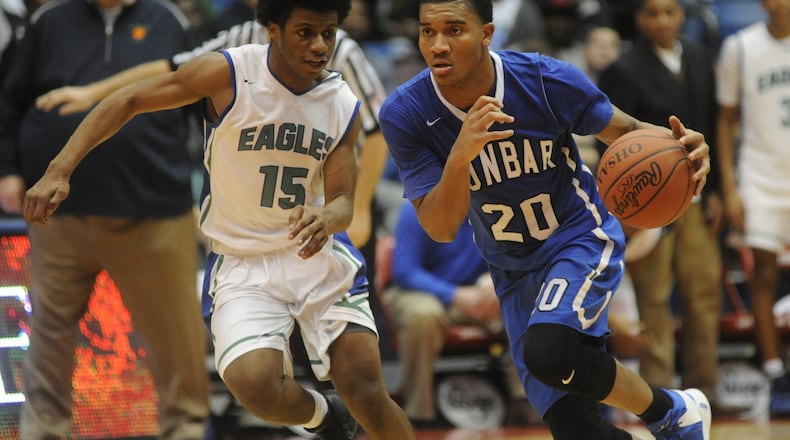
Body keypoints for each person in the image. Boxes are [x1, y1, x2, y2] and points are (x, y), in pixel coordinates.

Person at [21, 1, 415, 439]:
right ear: (272, 30)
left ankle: (355, 408)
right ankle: (326, 416)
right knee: (255, 386)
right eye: (305, 32)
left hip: (313, 255)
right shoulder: (228, 73)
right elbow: (129, 100)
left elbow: (344, 200)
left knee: (366, 388)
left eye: (328, 33)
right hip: (243, 262)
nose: (320, 45)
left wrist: (328, 214)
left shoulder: (341, 102)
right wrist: (59, 169)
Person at [378, 1, 713, 439]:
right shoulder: (405, 112)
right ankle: (676, 414)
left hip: (577, 237)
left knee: (550, 353)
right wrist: (460, 155)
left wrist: (684, 152)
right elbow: (440, 228)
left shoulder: (542, 77)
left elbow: (628, 133)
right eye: (427, 32)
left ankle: (669, 408)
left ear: (486, 33)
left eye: (454, 30)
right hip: (512, 268)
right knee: (575, 427)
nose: (437, 45)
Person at [0, 0, 211, 438]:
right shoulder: (49, 21)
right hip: (59, 218)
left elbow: (206, 111)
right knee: (48, 339)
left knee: (178, 343)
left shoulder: (167, 20)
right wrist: (8, 169)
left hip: (154, 215)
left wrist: (208, 196)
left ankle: (186, 429)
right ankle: (43, 432)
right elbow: (10, 100)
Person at [597, 0, 723, 410]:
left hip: (697, 198)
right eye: (653, 14)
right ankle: (660, 401)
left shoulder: (702, 57)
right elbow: (615, 146)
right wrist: (627, 209)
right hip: (648, 203)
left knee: (704, 293)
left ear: (681, 16)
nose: (662, 21)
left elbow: (711, 126)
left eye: (669, 12)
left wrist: (717, 187)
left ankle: (705, 389)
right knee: (653, 302)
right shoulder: (622, 68)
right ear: (640, 19)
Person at [716, 0, 790, 416]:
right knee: (762, 275)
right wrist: (730, 186)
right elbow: (725, 120)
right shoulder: (740, 48)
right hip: (760, 178)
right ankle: (775, 371)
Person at [383, 201, 507, 425]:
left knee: (519, 301)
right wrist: (454, 294)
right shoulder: (416, 208)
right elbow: (405, 272)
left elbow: (510, 256)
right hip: (418, 293)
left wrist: (495, 280)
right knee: (423, 314)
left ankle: (525, 400)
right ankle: (418, 414)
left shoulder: (492, 207)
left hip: (473, 295)